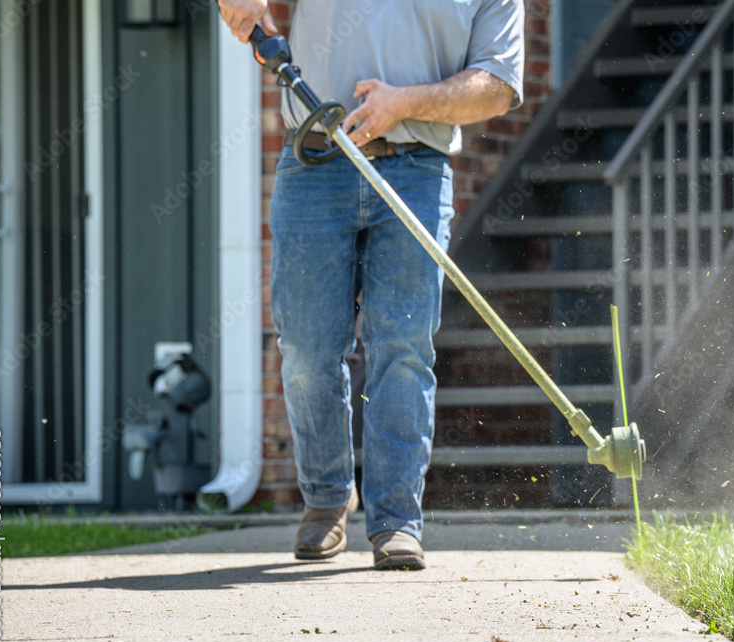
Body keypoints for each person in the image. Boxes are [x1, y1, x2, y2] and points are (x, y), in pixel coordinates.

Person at [218, 0, 524, 570]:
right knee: (306, 349)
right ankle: (328, 498)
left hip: (417, 169)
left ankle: (396, 522)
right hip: (314, 161)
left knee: (403, 348)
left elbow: (497, 86)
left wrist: (402, 103)